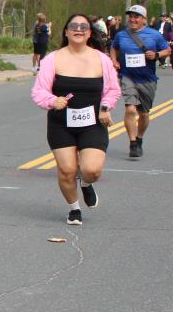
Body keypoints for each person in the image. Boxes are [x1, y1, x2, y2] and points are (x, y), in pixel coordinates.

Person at [31, 14, 120, 226]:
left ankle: (86, 183)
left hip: (92, 123)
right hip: (61, 124)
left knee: (92, 170)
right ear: (66, 31)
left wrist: (105, 107)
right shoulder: (53, 59)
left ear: (89, 33)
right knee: (67, 170)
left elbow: (112, 90)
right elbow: (39, 91)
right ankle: (74, 209)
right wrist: (52, 101)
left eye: (83, 26)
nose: (78, 29)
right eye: (73, 26)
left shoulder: (102, 59)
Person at [109, 5, 170, 158]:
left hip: (147, 79)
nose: (132, 19)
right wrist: (114, 60)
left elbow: (167, 50)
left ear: (144, 19)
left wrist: (156, 55)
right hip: (128, 77)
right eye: (130, 16)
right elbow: (113, 48)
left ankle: (139, 137)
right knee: (130, 109)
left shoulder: (154, 35)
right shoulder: (121, 35)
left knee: (143, 114)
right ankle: (132, 143)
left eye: (136, 16)